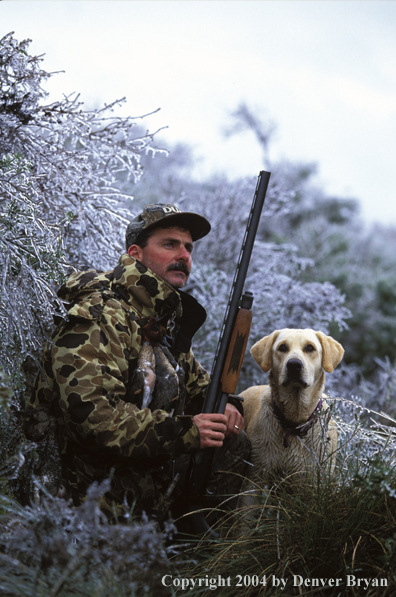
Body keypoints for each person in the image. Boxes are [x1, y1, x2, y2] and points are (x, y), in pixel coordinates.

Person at [27, 203, 250, 522]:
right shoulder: (99, 314)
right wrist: (186, 431)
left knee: (231, 442)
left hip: (144, 482)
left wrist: (227, 408)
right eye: (170, 244)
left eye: (188, 247)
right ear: (136, 254)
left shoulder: (163, 320)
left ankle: (202, 554)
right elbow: (93, 419)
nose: (184, 255)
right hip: (87, 492)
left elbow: (198, 385)